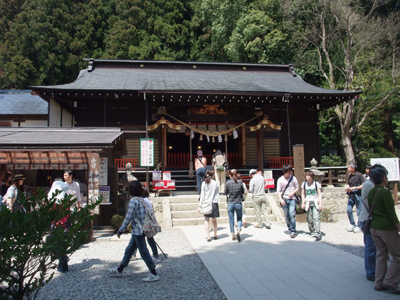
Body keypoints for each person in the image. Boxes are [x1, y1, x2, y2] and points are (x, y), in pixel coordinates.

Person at [109, 181, 159, 282]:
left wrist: (121, 230)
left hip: (138, 230)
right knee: (129, 250)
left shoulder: (133, 201)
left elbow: (128, 217)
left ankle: (154, 273)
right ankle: (120, 270)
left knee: (144, 252)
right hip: (141, 229)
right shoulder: (142, 200)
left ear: (131, 190)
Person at [368, 164, 400, 294]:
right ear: (383, 178)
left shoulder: (371, 192)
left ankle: (379, 282)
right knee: (398, 255)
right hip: (386, 227)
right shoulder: (385, 193)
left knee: (381, 255)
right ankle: (390, 281)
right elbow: (391, 213)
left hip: (374, 227)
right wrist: (398, 226)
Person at [48, 178, 75, 273]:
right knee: (61, 245)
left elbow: (51, 212)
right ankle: (63, 263)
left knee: (55, 245)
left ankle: (62, 263)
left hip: (58, 224)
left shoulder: (54, 199)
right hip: (65, 224)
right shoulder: (66, 197)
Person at [131, 188, 161, 263]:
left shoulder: (142, 201)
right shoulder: (147, 200)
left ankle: (134, 254)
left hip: (144, 222)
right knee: (148, 239)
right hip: (147, 222)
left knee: (138, 239)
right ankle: (155, 255)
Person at [360, 174, 376, 282]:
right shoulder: (369, 185)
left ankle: (373, 270)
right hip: (368, 219)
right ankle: (371, 272)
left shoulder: (369, 184)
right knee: (371, 246)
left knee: (372, 246)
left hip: (368, 217)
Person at [277, 165, 299, 238]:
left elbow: (297, 187)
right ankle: (289, 227)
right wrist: (280, 199)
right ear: (285, 172)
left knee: (291, 214)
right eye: (289, 171)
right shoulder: (280, 180)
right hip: (284, 199)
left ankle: (293, 230)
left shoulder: (293, 178)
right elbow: (278, 190)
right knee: (286, 216)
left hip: (292, 198)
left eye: (291, 171)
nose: (290, 173)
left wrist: (293, 193)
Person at [198, 169, 220, 241]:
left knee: (206, 220)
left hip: (206, 203)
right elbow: (217, 193)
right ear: (213, 175)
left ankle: (208, 236)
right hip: (214, 202)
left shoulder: (204, 183)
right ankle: (215, 234)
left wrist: (200, 205)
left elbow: (202, 195)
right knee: (214, 220)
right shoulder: (215, 183)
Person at [301, 171, 322, 240]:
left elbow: (319, 194)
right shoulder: (304, 184)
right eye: (306, 175)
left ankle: (318, 232)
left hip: (315, 201)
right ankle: (312, 231)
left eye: (308, 175)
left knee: (316, 218)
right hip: (308, 202)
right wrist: (303, 202)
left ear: (311, 177)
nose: (306, 177)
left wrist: (320, 203)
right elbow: (303, 194)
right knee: (309, 218)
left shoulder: (316, 184)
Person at [344, 162, 365, 233]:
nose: (348, 168)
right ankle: (352, 224)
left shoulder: (359, 175)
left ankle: (359, 226)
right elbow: (349, 184)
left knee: (359, 211)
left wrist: (354, 188)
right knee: (349, 210)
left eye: (349, 167)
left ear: (353, 168)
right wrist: (347, 187)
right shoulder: (350, 176)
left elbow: (363, 185)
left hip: (358, 195)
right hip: (351, 195)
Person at [224, 169, 244, 242]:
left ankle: (232, 234)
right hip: (238, 202)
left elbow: (225, 192)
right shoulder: (240, 182)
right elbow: (242, 192)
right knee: (239, 218)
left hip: (231, 202)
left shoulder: (228, 183)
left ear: (230, 175)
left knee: (231, 219)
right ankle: (238, 230)